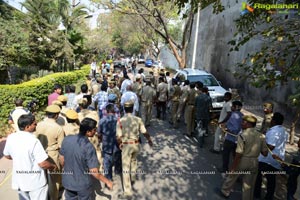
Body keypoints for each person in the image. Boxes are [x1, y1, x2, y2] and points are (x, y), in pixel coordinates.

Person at [4, 114, 57, 200]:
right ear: (27, 127)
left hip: (20, 181)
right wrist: (53, 167)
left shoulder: (11, 137)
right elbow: (43, 164)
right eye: (34, 124)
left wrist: (19, 158)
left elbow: (6, 155)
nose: (36, 125)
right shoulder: (34, 141)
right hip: (35, 184)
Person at [59, 118, 113, 200]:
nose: (96, 131)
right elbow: (94, 172)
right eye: (94, 129)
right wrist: (107, 182)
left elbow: (61, 160)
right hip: (82, 185)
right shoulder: (88, 147)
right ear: (88, 132)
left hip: (68, 182)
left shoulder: (67, 139)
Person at [220, 115, 268, 200]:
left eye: (243, 122)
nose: (242, 123)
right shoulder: (261, 136)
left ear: (248, 124)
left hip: (243, 159)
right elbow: (265, 153)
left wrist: (233, 167)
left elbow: (238, 154)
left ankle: (225, 191)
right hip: (254, 162)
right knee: (248, 184)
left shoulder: (242, 135)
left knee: (232, 177)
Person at [116, 101, 153, 199]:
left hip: (126, 145)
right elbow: (144, 132)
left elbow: (118, 137)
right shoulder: (138, 119)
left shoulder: (120, 121)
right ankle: (133, 177)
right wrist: (149, 140)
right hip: (136, 144)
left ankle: (128, 191)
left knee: (125, 167)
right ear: (132, 109)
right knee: (134, 161)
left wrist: (120, 144)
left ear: (124, 109)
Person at [254, 112, 288, 200]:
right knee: (271, 179)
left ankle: (257, 194)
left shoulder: (274, 131)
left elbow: (271, 146)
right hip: (277, 159)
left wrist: (260, 145)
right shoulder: (283, 130)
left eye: (272, 119)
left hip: (268, 159)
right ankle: (268, 197)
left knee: (258, 175)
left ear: (274, 121)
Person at [35, 105, 65, 200]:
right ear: (56, 115)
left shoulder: (39, 124)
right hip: (53, 154)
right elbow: (61, 146)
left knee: (42, 177)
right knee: (54, 179)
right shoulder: (58, 128)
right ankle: (54, 197)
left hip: (39, 153)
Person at [99, 104, 121, 181]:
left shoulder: (102, 121)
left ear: (106, 111)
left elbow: (99, 133)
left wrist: (100, 140)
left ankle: (108, 178)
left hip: (106, 144)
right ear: (114, 111)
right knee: (117, 158)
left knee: (107, 162)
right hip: (116, 144)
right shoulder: (118, 120)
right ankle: (118, 171)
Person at [221, 100, 243, 174]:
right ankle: (235, 171)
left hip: (231, 138)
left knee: (226, 154)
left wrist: (226, 129)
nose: (231, 107)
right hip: (238, 140)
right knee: (235, 156)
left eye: (232, 106)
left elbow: (235, 129)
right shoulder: (241, 115)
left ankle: (225, 169)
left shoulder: (234, 115)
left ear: (235, 107)